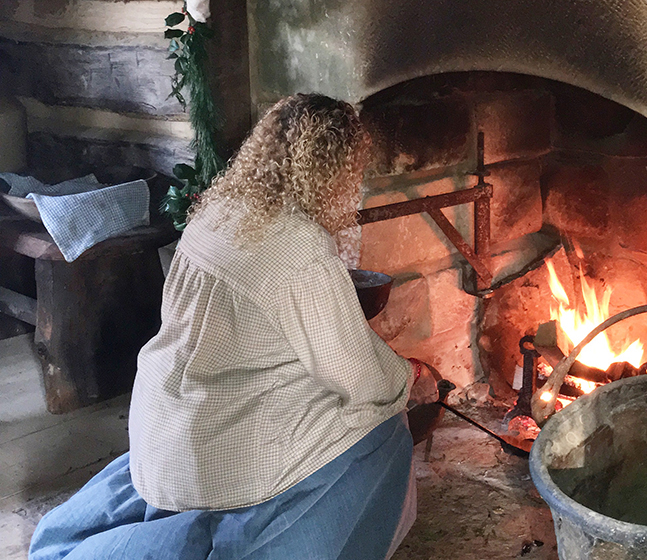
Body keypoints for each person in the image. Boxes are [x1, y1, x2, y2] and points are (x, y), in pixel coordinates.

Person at [29, 93, 439, 560]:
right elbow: (360, 377)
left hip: (165, 412)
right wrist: (410, 376)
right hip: (215, 443)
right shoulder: (298, 248)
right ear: (332, 170)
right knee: (383, 424)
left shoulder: (219, 211)